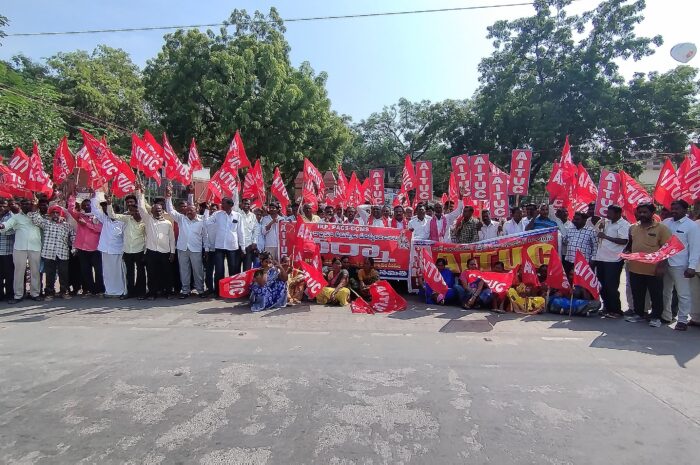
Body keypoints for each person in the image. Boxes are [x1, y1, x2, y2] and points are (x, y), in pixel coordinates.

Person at [625, 203, 672, 327]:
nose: (642, 214)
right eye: (640, 212)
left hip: (654, 269)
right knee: (637, 293)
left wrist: (662, 266)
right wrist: (626, 253)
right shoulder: (633, 227)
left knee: (656, 294)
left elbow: (667, 249)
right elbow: (630, 245)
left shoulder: (661, 228)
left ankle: (656, 317)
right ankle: (639, 314)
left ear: (652, 213)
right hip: (635, 268)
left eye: (645, 212)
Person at [661, 200, 699, 331]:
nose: (674, 211)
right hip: (665, 263)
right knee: (665, 291)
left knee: (683, 294)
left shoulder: (692, 226)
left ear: (685, 210)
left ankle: (682, 320)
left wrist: (691, 266)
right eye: (672, 208)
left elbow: (695, 248)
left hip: (681, 265)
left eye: (677, 209)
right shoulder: (666, 223)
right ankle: (666, 316)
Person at [165, 186, 208, 298]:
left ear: (196, 210)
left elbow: (205, 236)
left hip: (195, 249)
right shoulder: (181, 218)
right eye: (187, 210)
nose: (188, 212)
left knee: (197, 271)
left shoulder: (202, 220)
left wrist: (206, 249)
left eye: (191, 210)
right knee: (184, 271)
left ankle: (200, 290)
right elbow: (170, 210)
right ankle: (185, 291)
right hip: (182, 249)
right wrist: (168, 197)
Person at [0, 198, 43, 303]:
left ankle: (35, 293)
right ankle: (18, 295)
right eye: (24, 204)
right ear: (20, 205)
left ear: (31, 204)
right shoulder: (16, 217)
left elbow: (42, 224)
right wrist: (2, 225)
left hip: (35, 247)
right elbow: (6, 225)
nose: (26, 205)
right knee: (19, 272)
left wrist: (33, 211)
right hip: (19, 247)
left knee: (35, 271)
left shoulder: (37, 215)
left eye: (28, 203)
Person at [28, 205, 75, 300]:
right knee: (50, 274)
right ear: (50, 214)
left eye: (57, 212)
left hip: (63, 252)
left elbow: (73, 237)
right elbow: (35, 219)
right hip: (49, 253)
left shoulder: (67, 225)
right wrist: (34, 207)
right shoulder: (46, 223)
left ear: (61, 214)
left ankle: (64, 291)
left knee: (63, 273)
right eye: (53, 213)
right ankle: (49, 293)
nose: (55, 214)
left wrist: (74, 248)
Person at [137, 187, 176, 300]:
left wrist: (172, 252)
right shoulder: (148, 220)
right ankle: (152, 293)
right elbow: (140, 207)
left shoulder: (168, 223)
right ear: (152, 211)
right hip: (151, 252)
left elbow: (172, 239)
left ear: (162, 210)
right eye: (156, 210)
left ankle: (168, 291)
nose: (158, 212)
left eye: (160, 210)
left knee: (167, 273)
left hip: (165, 252)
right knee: (151, 273)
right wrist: (141, 194)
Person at [108, 194, 147, 300]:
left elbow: (148, 238)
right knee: (129, 273)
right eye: (134, 212)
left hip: (140, 251)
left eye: (138, 211)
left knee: (141, 273)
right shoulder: (127, 218)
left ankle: (142, 292)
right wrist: (109, 203)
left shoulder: (145, 221)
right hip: (127, 250)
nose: (136, 213)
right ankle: (130, 292)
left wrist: (145, 252)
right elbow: (112, 215)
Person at [594, 205, 630, 318]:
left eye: (610, 213)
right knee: (602, 285)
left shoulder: (623, 225)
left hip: (614, 260)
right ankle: (607, 308)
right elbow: (597, 232)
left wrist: (606, 236)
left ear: (618, 213)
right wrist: (600, 226)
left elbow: (624, 241)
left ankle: (616, 310)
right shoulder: (607, 222)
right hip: (601, 257)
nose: (607, 215)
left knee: (611, 286)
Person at [205, 197, 245, 293]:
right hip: (219, 246)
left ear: (230, 205)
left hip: (232, 246)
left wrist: (242, 248)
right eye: (222, 203)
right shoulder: (217, 214)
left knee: (233, 269)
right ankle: (219, 291)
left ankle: (232, 291)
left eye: (224, 203)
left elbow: (241, 232)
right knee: (219, 270)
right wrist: (207, 210)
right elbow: (206, 222)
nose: (221, 205)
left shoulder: (238, 216)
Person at [68, 194, 104, 297]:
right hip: (82, 249)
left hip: (95, 249)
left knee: (98, 271)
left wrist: (86, 224)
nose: (86, 207)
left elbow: (100, 229)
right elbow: (70, 210)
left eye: (88, 205)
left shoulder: (98, 217)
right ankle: (90, 290)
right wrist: (72, 196)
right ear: (82, 207)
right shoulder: (80, 215)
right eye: (84, 205)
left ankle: (100, 290)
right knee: (85, 271)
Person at [92, 194, 126, 298]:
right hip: (105, 250)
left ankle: (120, 291)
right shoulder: (105, 219)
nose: (106, 210)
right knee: (107, 273)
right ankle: (109, 291)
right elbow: (95, 210)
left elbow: (125, 238)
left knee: (118, 273)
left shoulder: (122, 222)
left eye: (108, 208)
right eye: (105, 208)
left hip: (117, 251)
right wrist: (93, 197)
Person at [237, 198, 259, 271]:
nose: (246, 205)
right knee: (236, 269)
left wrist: (254, 241)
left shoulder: (253, 216)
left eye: (248, 204)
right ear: (241, 204)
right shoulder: (237, 214)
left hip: (249, 246)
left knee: (247, 269)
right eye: (245, 203)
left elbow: (256, 230)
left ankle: (246, 283)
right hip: (238, 246)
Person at [0, 199, 15, 301]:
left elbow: (12, 231)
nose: (2, 208)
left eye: (4, 206)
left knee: (9, 274)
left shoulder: (12, 217)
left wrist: (2, 229)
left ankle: (10, 294)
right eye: (0, 206)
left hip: (8, 251)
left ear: (8, 207)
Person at [203, 203, 219, 294]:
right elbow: (205, 236)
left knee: (218, 271)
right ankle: (209, 288)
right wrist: (206, 249)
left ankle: (217, 289)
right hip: (209, 250)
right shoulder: (207, 221)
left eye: (215, 209)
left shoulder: (220, 222)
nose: (213, 211)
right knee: (209, 271)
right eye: (211, 209)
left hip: (219, 250)